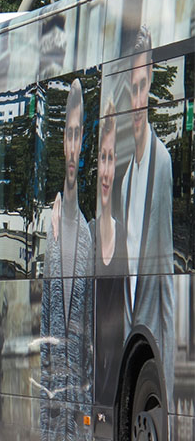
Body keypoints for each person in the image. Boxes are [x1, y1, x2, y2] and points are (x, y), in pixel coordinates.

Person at [39, 77, 94, 441]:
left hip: (80, 432)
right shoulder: (50, 227)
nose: (73, 145)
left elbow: (89, 345)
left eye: (79, 135)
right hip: (52, 426)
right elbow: (45, 339)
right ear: (62, 142)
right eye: (68, 134)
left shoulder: (87, 236)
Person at [120, 25, 175, 400]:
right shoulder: (125, 181)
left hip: (151, 349)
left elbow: (166, 277)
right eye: (132, 89)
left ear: (151, 79)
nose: (138, 101)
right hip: (129, 346)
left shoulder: (162, 164)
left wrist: (167, 384)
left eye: (143, 86)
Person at [91, 104, 127, 407]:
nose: (105, 171)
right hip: (89, 385)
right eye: (102, 158)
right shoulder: (86, 236)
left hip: (116, 385)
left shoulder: (126, 239)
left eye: (111, 158)